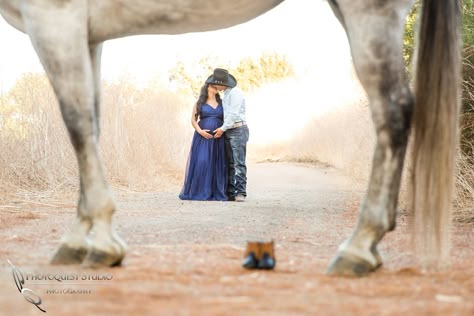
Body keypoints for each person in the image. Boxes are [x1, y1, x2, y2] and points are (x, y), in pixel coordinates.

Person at [179, 82, 227, 201]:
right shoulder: (199, 103)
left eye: (216, 86)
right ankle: (200, 191)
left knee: (217, 163)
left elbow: (228, 118)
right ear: (207, 88)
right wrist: (200, 131)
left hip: (219, 137)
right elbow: (193, 120)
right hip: (202, 137)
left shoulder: (222, 103)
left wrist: (222, 130)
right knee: (202, 161)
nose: (215, 87)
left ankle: (214, 192)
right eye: (212, 85)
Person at [207, 68, 249, 202]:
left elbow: (233, 114)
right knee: (230, 163)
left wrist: (222, 129)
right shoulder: (226, 94)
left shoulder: (235, 93)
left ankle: (241, 192)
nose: (214, 86)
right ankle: (230, 192)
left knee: (238, 163)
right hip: (229, 130)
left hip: (238, 129)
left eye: (215, 83)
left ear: (222, 83)